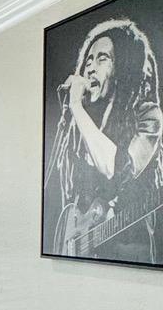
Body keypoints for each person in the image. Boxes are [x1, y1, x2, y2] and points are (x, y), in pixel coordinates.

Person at [48, 17, 163, 263]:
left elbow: (117, 168)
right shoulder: (81, 124)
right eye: (88, 61)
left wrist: (76, 106)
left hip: (132, 252)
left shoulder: (148, 115)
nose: (90, 68)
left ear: (123, 66)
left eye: (102, 59)